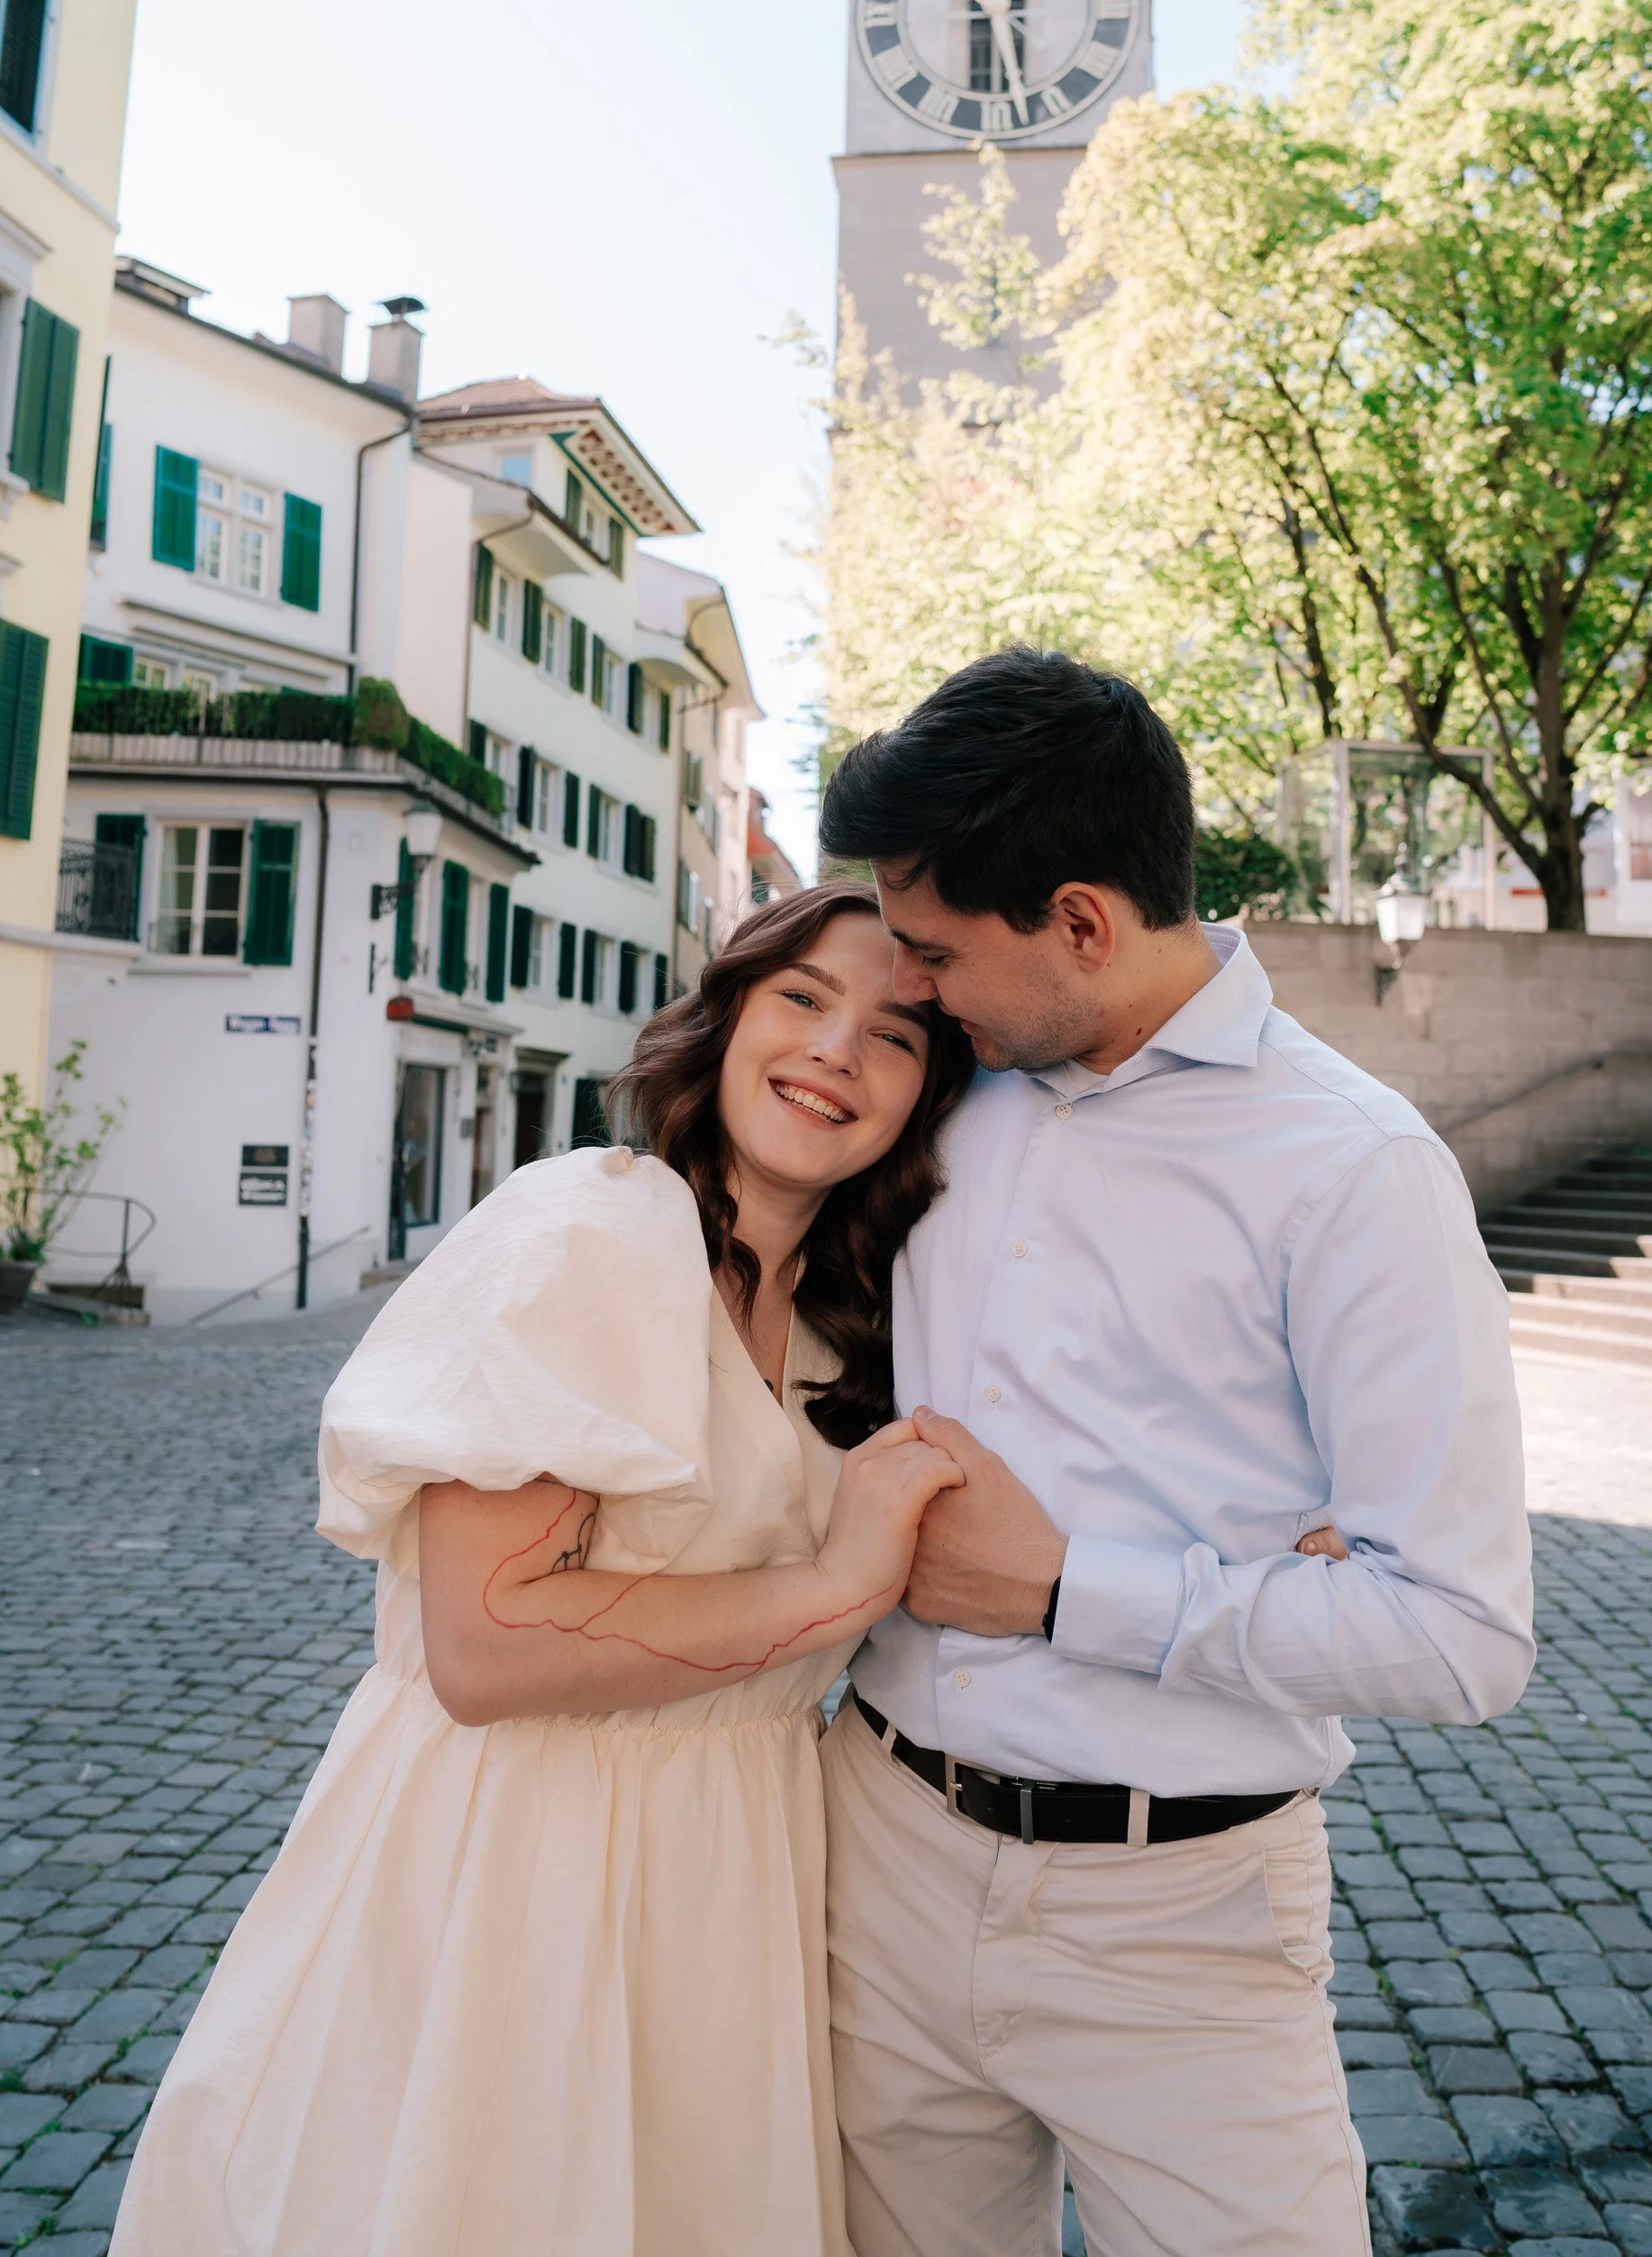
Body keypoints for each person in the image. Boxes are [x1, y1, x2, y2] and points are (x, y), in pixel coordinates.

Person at [112, 883, 974, 2257]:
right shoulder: (597, 1228)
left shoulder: (844, 1315)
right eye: (804, 998)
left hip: (727, 1869)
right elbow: (488, 1644)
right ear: (730, 1013)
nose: (834, 1052)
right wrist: (837, 1586)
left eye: (895, 1036)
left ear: (926, 1099)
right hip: (519, 1861)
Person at [815, 649, 1536, 2257]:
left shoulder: (1354, 1172)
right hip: (876, 1850)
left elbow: (1464, 1633)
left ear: (1080, 921)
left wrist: (1072, 1589)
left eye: (936, 952)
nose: (912, 992)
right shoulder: (941, 1096)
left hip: (1181, 1921)